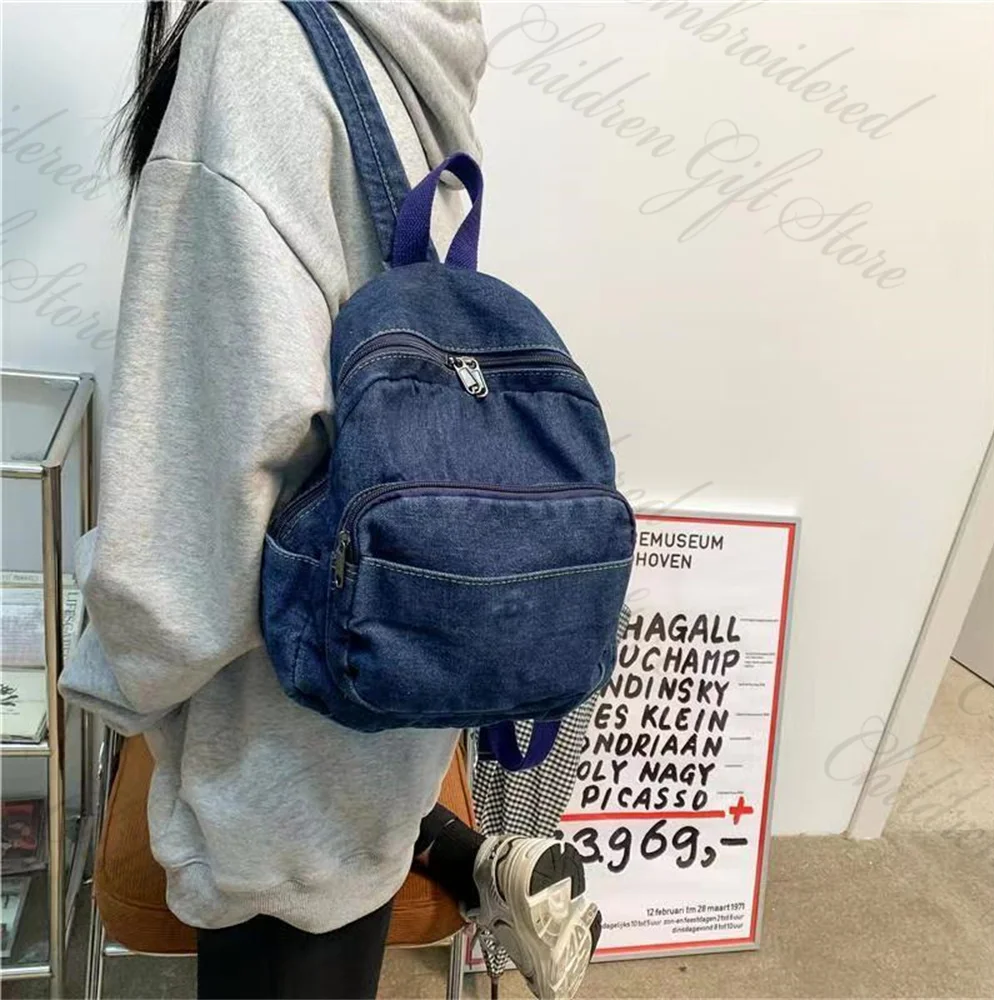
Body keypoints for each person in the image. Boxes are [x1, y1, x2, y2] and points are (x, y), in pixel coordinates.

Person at [58, 3, 601, 999]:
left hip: (276, 747)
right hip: (385, 697)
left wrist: (111, 663)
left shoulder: (254, 48)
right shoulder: (406, 44)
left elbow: (199, 505)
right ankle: (473, 855)